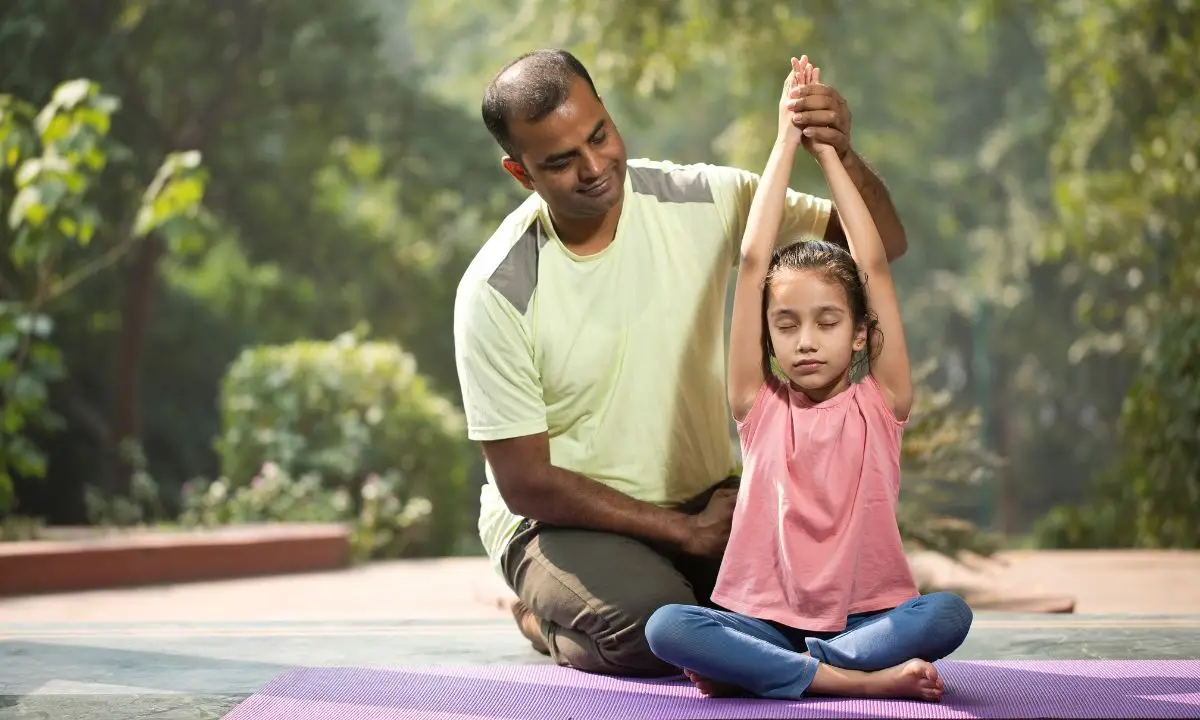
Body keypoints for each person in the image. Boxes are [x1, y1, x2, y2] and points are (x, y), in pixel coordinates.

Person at [452, 47, 909, 678]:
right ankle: (543, 621)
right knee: (654, 633)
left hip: (708, 503)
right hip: (562, 524)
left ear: (608, 113)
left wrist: (841, 153)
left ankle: (692, 600)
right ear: (520, 173)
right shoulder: (497, 291)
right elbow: (526, 484)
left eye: (599, 136)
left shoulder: (702, 198)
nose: (594, 167)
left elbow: (881, 247)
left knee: (797, 620)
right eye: (560, 161)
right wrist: (684, 534)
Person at [642, 57, 973, 702]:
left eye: (826, 321)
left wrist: (828, 153)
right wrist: (784, 141)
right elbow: (751, 262)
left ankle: (788, 671)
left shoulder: (883, 403)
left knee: (946, 615)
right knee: (667, 627)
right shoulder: (758, 406)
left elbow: (872, 262)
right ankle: (852, 681)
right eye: (787, 325)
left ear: (860, 333)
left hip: (864, 621)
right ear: (768, 338)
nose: (807, 340)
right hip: (761, 619)